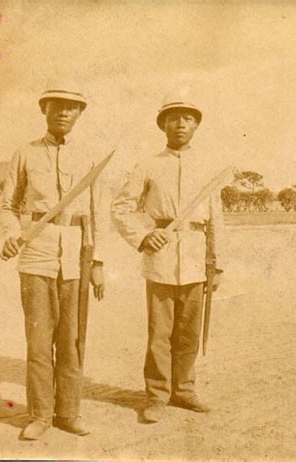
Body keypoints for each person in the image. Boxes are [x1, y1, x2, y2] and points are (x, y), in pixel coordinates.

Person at [0, 85, 109, 440]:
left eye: (72, 108)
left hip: (78, 255)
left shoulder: (91, 157)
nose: (64, 112)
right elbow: (8, 205)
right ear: (44, 110)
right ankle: (41, 415)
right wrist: (10, 234)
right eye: (57, 106)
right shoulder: (25, 153)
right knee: (38, 341)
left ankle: (69, 412)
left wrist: (98, 262)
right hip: (36, 257)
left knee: (73, 339)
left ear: (80, 114)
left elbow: (97, 212)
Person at [111, 95, 225, 423]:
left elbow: (216, 219)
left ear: (196, 125)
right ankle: (157, 395)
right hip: (160, 257)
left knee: (188, 332)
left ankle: (184, 390)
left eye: (188, 118)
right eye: (173, 118)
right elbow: (121, 208)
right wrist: (145, 235)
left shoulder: (209, 169)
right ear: (163, 124)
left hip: (195, 258)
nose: (180, 124)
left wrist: (217, 264)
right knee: (160, 332)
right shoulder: (147, 165)